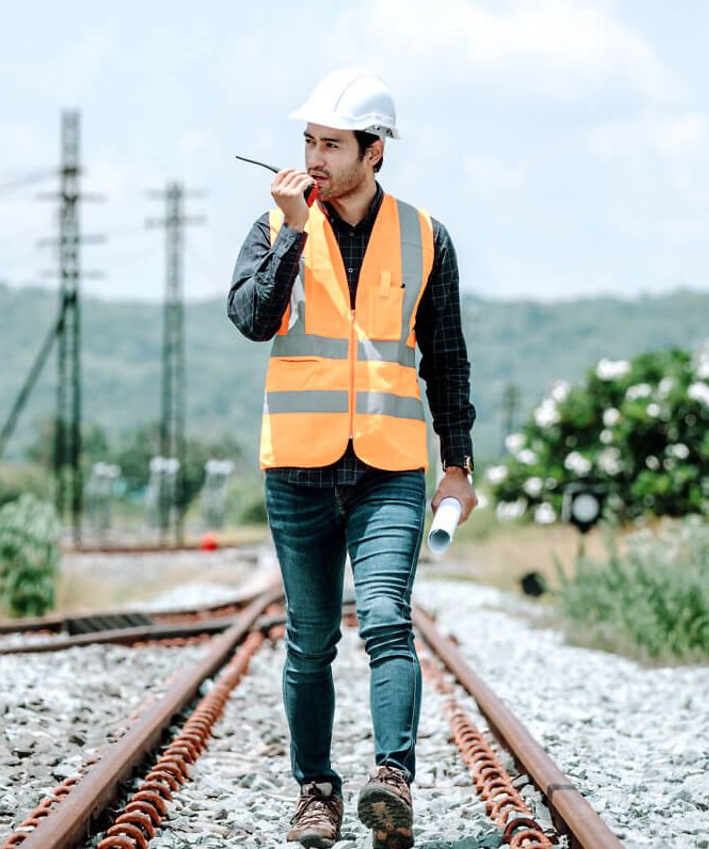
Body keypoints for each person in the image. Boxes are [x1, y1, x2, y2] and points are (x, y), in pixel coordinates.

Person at [226, 66, 478, 849]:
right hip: (297, 468)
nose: (314, 157)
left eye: (332, 144)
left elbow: (446, 357)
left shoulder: (425, 236)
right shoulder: (275, 228)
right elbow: (252, 319)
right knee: (309, 641)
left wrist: (458, 464)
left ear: (375, 152)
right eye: (309, 140)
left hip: (389, 467)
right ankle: (316, 794)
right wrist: (294, 232)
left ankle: (392, 782)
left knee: (388, 621)